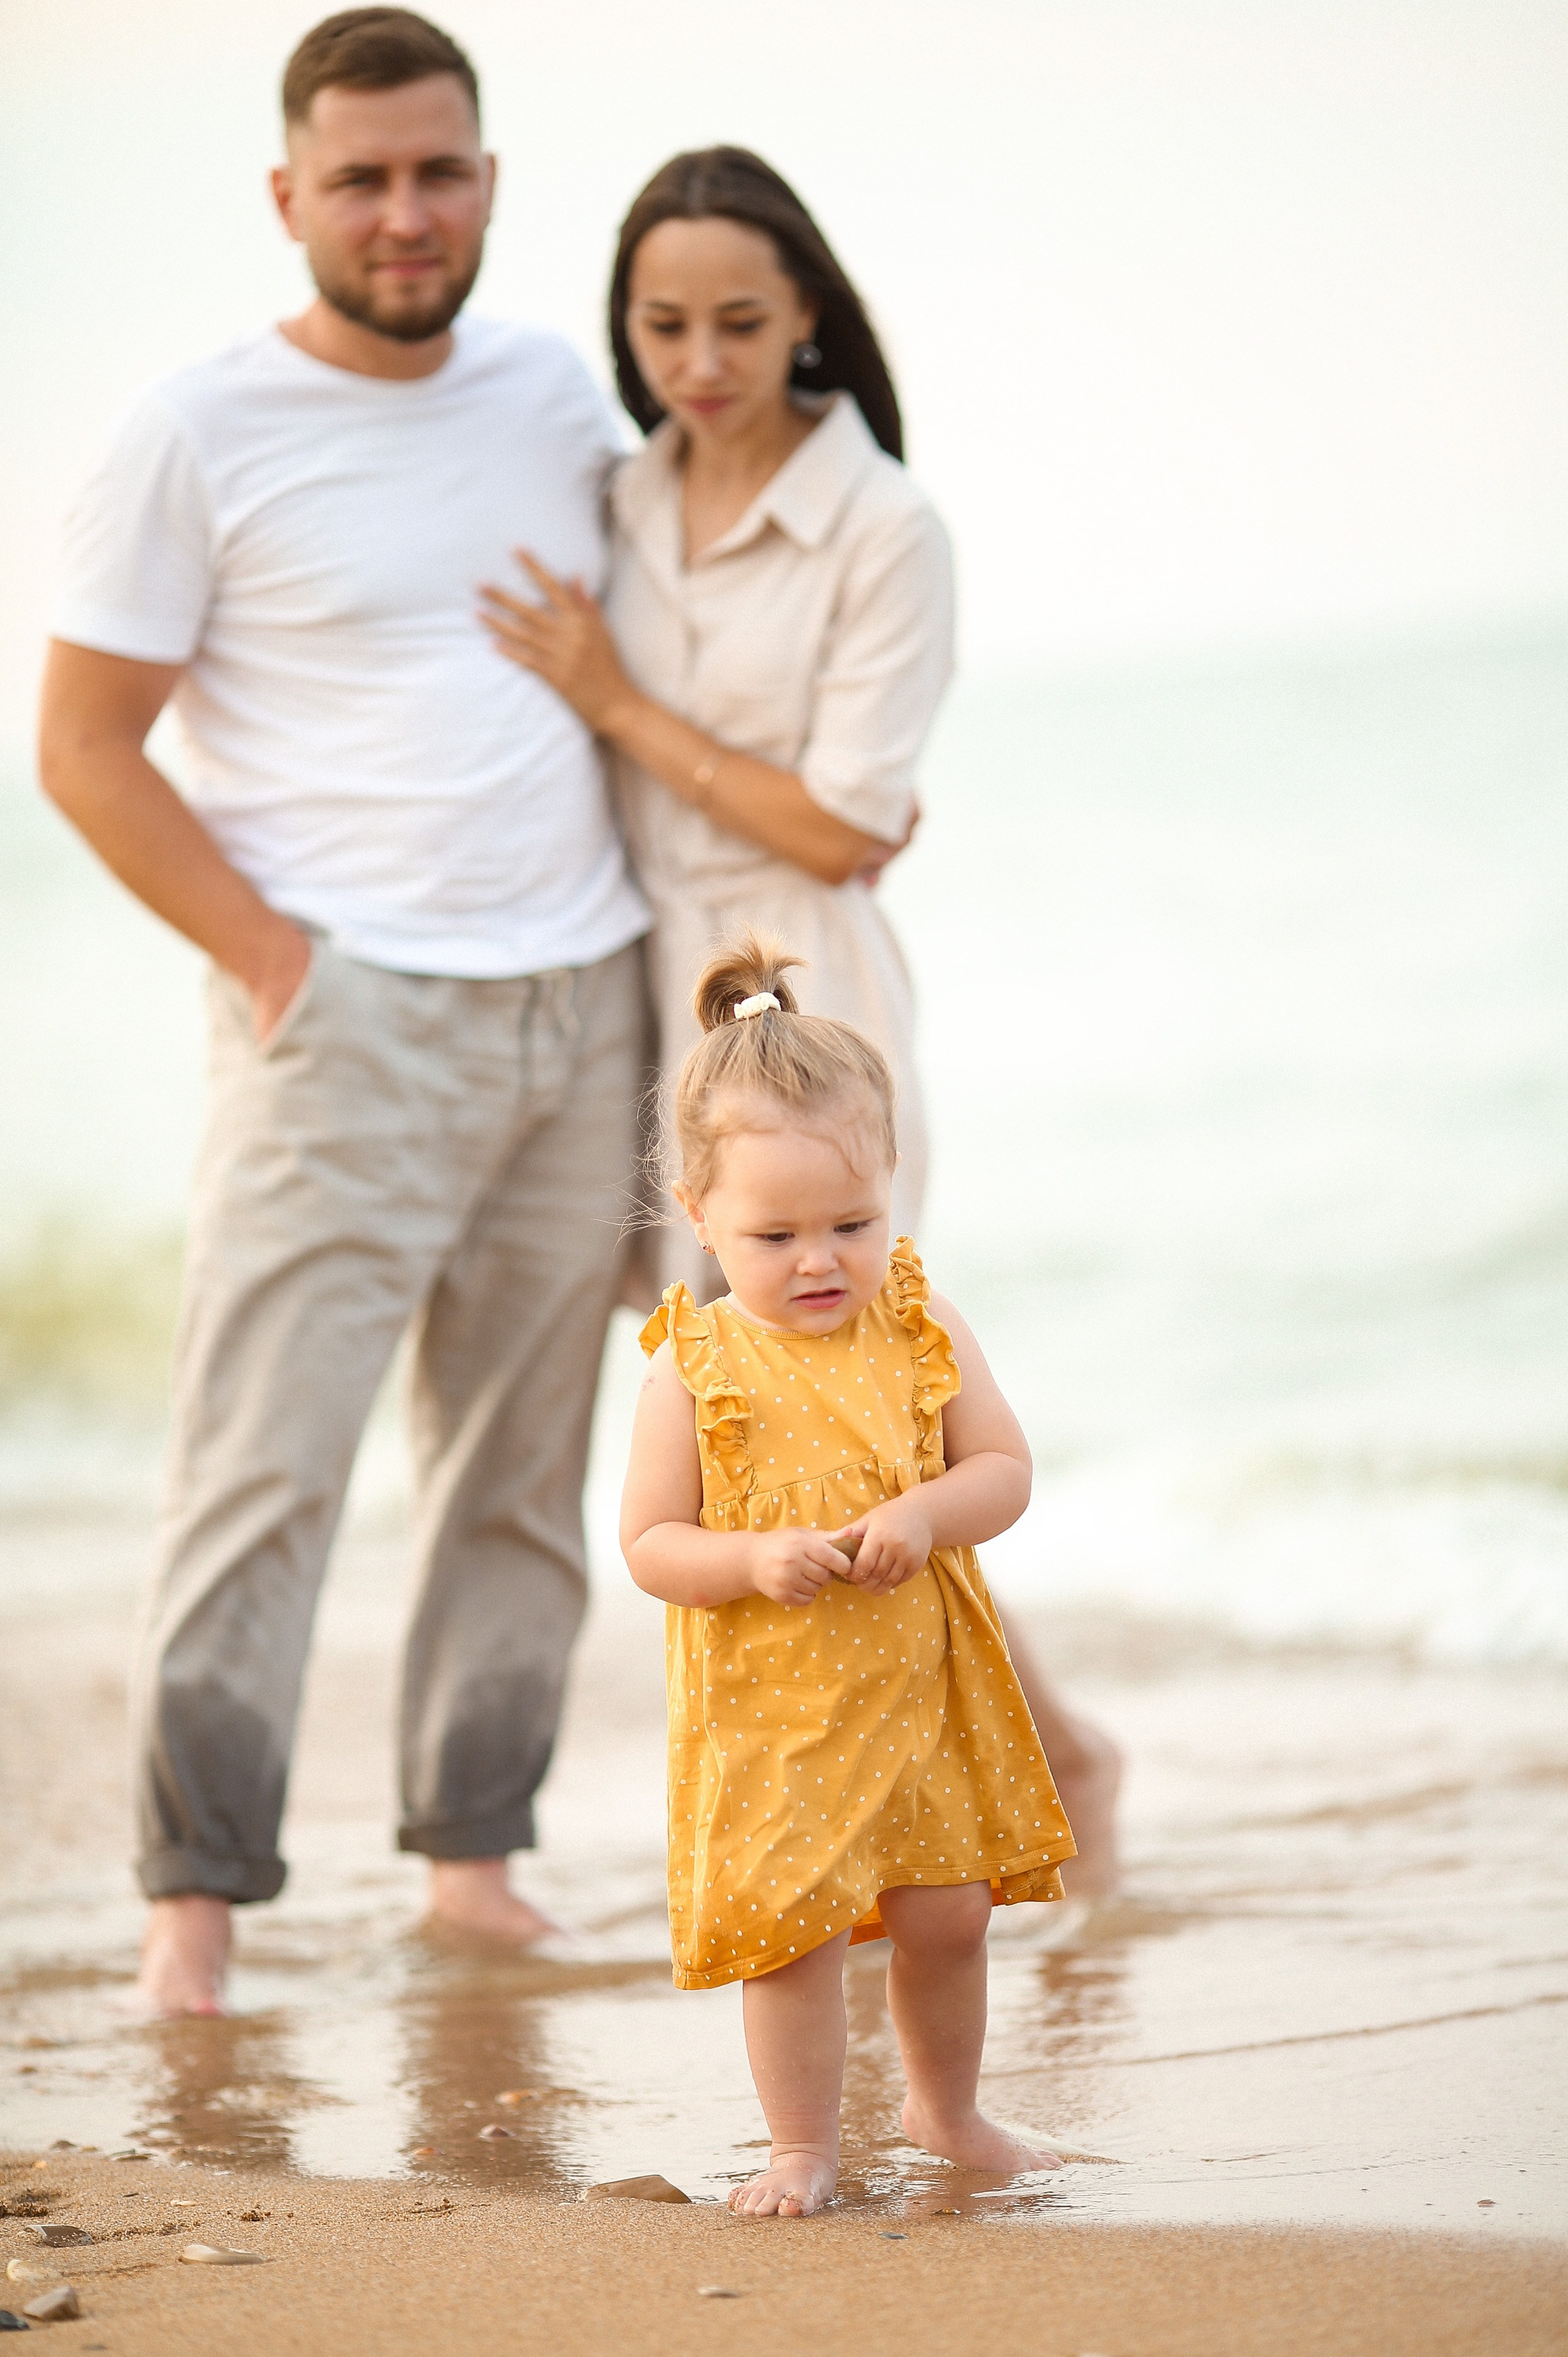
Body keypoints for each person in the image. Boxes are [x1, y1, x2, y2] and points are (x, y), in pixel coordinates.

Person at [36, 7, 650, 2016]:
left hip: (582, 1005)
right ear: (289, 193)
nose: (408, 212)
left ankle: (476, 1865)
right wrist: (279, 961)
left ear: (488, 178)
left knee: (521, 1473)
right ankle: (192, 1910)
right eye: (366, 176)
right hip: (343, 1022)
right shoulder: (193, 429)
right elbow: (87, 746)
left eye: (442, 169)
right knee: (263, 1466)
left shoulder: (560, 392)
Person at [478, 146, 1122, 1895]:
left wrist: (613, 697)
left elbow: (841, 826)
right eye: (661, 323)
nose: (699, 358)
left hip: (798, 990)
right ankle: (978, 1767)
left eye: (740, 321)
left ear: (809, 315)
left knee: (849, 1401)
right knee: (726, 1405)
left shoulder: (883, 526)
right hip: (624, 975)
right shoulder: (612, 499)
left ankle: (984, 1780)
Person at [622, 936, 1075, 2217]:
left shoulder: (921, 1324)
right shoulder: (693, 1365)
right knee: (795, 1937)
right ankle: (800, 2146)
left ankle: (948, 2106)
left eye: (853, 1224)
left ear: (893, 1192)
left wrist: (928, 1515)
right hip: (773, 1718)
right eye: (775, 1235)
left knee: (947, 1916)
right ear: (699, 1215)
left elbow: (1004, 1468)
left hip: (915, 1695)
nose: (819, 1261)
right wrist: (752, 1558)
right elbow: (652, 1545)